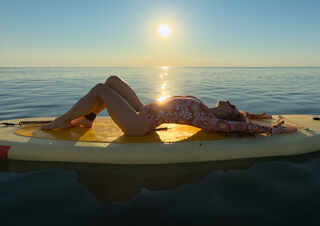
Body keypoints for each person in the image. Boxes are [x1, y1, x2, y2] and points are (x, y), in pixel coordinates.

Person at [42, 76, 297, 136]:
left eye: (232, 105)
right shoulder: (206, 109)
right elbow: (241, 117)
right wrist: (256, 114)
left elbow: (239, 126)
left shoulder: (211, 121)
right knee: (111, 81)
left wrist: (272, 129)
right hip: (143, 110)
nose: (229, 101)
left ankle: (61, 121)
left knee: (100, 89)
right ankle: (87, 117)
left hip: (138, 124)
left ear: (227, 114)